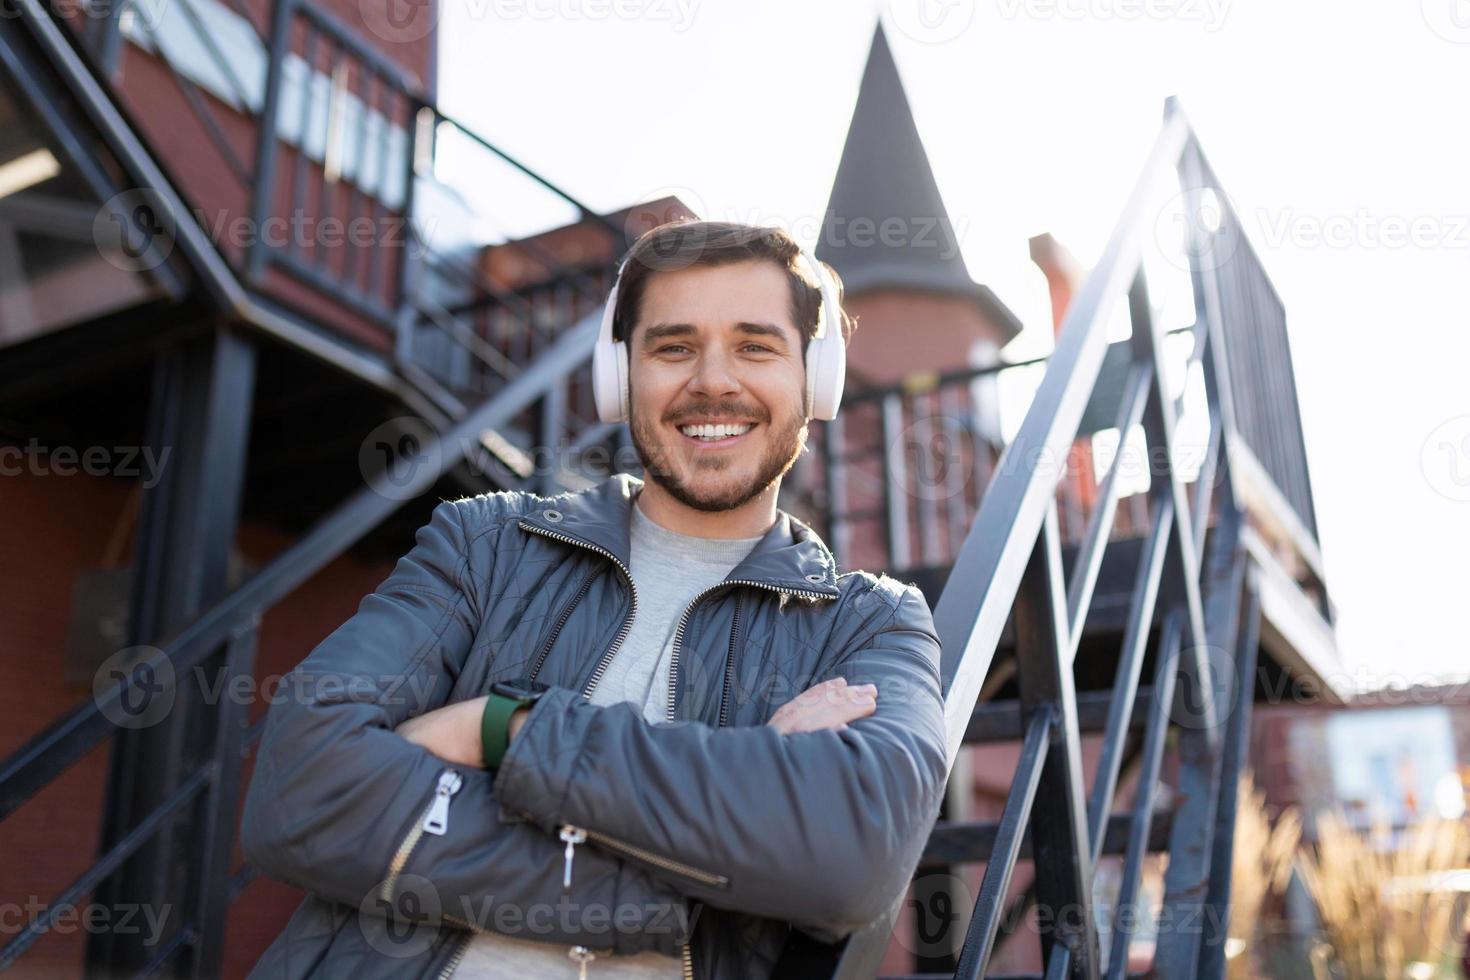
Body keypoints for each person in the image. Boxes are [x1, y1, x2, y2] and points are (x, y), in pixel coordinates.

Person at [240, 220, 948, 979]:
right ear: (620, 377)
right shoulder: (486, 545)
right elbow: (302, 788)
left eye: (755, 346)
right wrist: (680, 875)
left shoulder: (870, 623)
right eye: (674, 347)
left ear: (817, 379)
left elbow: (851, 860)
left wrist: (505, 728)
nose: (713, 380)